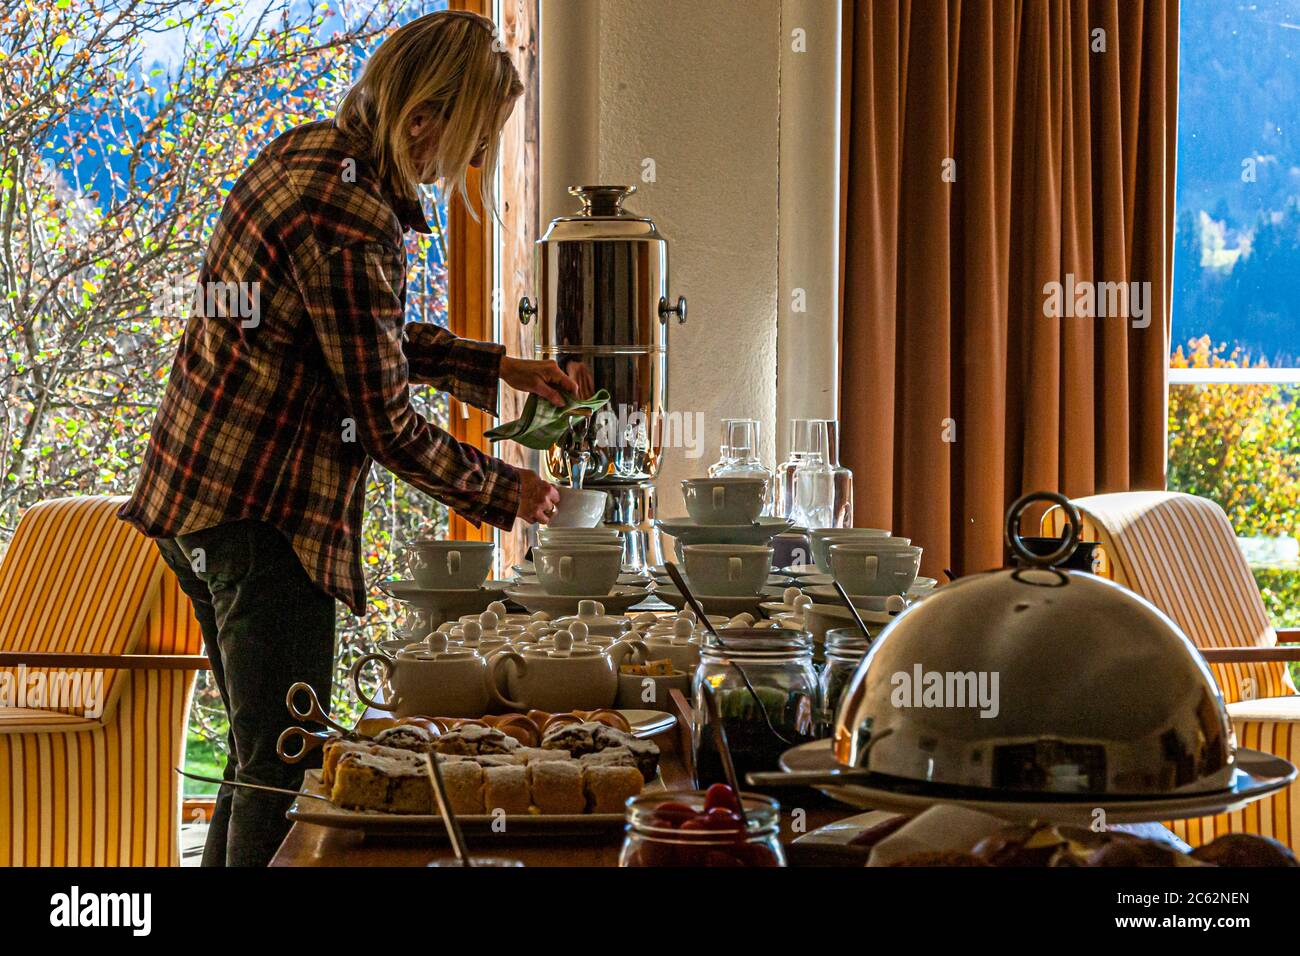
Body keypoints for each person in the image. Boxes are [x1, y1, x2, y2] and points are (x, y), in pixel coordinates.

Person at [120, 10, 568, 866]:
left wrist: (498, 366)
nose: (470, 165)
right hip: (261, 522)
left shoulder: (312, 156)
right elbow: (390, 424)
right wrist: (509, 492)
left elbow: (363, 337)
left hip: (198, 501)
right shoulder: (353, 220)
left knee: (259, 761)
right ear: (420, 120)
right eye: (472, 141)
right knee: (286, 770)